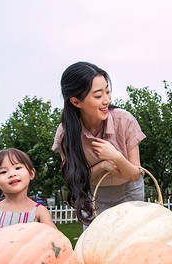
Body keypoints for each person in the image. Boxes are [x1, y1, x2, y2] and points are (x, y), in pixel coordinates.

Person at [52, 62, 145, 228]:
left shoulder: (125, 121)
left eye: (107, 92)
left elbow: (135, 175)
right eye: (98, 96)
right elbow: (75, 179)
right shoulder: (66, 133)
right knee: (95, 247)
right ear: (76, 101)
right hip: (93, 196)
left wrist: (116, 157)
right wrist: (103, 165)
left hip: (128, 192)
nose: (106, 100)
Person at [0, 148, 56, 238]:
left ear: (31, 173)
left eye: (18, 168)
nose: (12, 174)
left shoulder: (39, 212)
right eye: (3, 172)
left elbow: (57, 239)